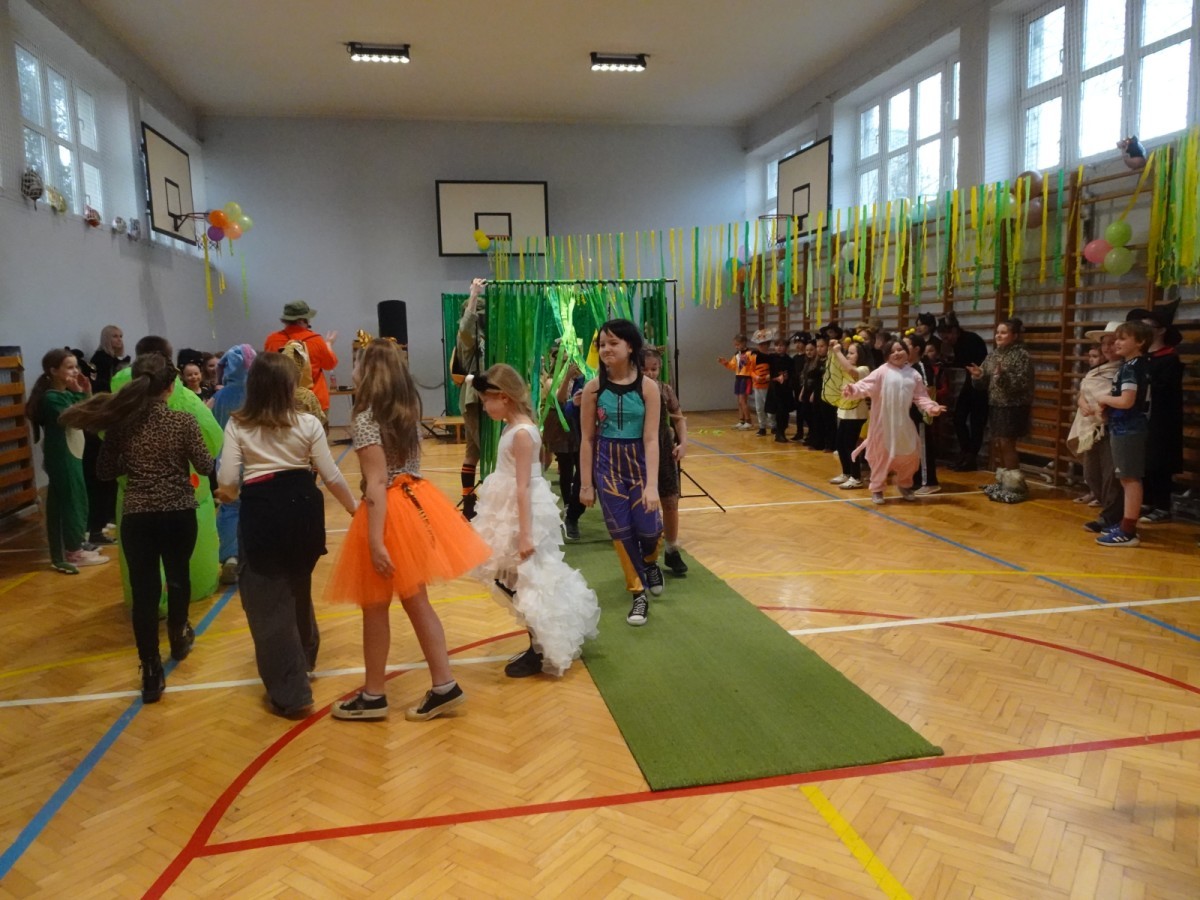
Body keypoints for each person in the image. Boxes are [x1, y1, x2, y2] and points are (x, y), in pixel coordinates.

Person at [327, 339, 491, 721]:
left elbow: (376, 483)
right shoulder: (406, 411)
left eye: (357, 363)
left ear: (369, 372)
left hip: (388, 512)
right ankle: (443, 685)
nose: (352, 370)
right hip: (415, 503)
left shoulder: (365, 417)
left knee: (375, 606)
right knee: (416, 601)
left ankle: (374, 695)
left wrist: (374, 541)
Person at [63, 354, 214, 702]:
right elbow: (206, 466)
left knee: (144, 594)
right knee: (178, 577)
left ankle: (150, 670)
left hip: (138, 517)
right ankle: (178, 636)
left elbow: (104, 471)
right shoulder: (183, 421)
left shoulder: (122, 425)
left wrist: (132, 461)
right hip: (178, 513)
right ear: (171, 387)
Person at [216, 353, 357, 718]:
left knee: (267, 602)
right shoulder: (308, 423)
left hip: (264, 511)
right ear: (289, 387)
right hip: (304, 510)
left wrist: (226, 495)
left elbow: (228, 480)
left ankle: (293, 693)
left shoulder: (239, 425)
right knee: (297, 585)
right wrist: (354, 509)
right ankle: (304, 657)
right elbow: (331, 475)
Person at [468, 364, 600, 677]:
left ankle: (541, 647)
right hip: (509, 509)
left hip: (521, 514)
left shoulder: (523, 433)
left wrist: (526, 534)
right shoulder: (512, 428)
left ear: (503, 397)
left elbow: (524, 485)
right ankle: (539, 642)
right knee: (511, 578)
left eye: (486, 401)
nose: (484, 408)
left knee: (527, 581)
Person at [111, 336, 224, 607]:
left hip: (136, 506)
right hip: (178, 503)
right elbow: (209, 452)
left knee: (142, 576)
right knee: (180, 570)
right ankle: (178, 624)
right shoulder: (183, 415)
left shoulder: (121, 413)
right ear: (170, 381)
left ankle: (148, 627)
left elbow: (105, 467)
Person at [579, 319, 663, 626]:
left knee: (650, 530)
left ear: (630, 347)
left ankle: (651, 561)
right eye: (602, 344)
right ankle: (638, 594)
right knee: (621, 533)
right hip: (608, 468)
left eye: (613, 343)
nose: (606, 349)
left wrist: (652, 485)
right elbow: (587, 439)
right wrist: (586, 484)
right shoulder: (593, 389)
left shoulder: (648, 388)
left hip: (640, 465)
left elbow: (651, 439)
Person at [28, 349, 109, 574]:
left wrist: (85, 391)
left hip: (72, 454)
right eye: (70, 367)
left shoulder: (66, 395)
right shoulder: (51, 398)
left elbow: (86, 410)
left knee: (73, 499)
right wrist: (81, 394)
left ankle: (72, 547)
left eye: (76, 366)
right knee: (72, 501)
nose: (76, 371)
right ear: (53, 371)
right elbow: (77, 416)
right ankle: (73, 551)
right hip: (62, 456)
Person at [842, 339, 947, 504]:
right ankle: (877, 489)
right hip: (882, 425)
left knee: (910, 457)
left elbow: (921, 396)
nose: (897, 353)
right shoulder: (881, 372)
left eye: (900, 350)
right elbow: (863, 386)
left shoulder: (914, 374)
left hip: (903, 424)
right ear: (886, 356)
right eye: (892, 351)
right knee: (881, 458)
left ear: (907, 352)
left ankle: (905, 485)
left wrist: (931, 407)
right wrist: (852, 389)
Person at [1086, 320, 1152, 547]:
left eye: (1123, 339)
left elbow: (1126, 401)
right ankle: (1125, 524)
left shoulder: (1131, 368)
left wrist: (1103, 399)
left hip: (1128, 428)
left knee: (1129, 478)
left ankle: (1128, 531)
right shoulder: (1134, 365)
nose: (1117, 343)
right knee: (1127, 478)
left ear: (1140, 342)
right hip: (1125, 425)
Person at [966, 318, 1035, 503]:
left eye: (1003, 332)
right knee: (998, 442)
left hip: (1014, 406)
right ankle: (1004, 481)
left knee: (1007, 442)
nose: (998, 335)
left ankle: (1016, 486)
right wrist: (979, 376)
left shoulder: (1021, 355)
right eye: (997, 332)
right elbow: (984, 382)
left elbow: (1022, 383)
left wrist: (1002, 377)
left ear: (1015, 336)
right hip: (996, 404)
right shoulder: (994, 354)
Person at [1129, 306, 1184, 524]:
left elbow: (1165, 391)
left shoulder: (1170, 359)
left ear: (1161, 330)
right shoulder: (1142, 358)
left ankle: (1162, 506)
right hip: (1140, 418)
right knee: (1143, 460)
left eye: (1148, 326)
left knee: (1159, 461)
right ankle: (1147, 500)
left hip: (1161, 420)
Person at [209, 344, 257, 585]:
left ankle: (230, 557)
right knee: (257, 507)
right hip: (255, 463)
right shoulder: (257, 395)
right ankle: (257, 555)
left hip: (226, 462)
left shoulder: (218, 397)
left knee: (229, 509)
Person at [642, 347, 690, 575]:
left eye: (654, 369)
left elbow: (678, 418)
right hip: (639, 453)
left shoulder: (665, 390)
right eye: (644, 369)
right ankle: (647, 551)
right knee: (644, 504)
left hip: (664, 452)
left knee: (670, 500)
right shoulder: (631, 391)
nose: (650, 373)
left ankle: (672, 549)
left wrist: (683, 443)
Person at [1068, 323, 1121, 518]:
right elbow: (1084, 392)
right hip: (1091, 429)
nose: (1107, 348)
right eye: (1104, 344)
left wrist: (1103, 405)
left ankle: (1111, 515)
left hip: (1109, 428)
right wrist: (1082, 402)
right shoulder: (1097, 370)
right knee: (1091, 473)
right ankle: (1106, 509)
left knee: (1110, 474)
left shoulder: (1125, 369)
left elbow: (1120, 398)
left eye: (1112, 343)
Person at [83, 325, 129, 546]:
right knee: (101, 480)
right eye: (114, 336)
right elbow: (102, 390)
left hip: (108, 422)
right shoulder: (101, 361)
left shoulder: (114, 361)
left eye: (121, 336)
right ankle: (95, 527)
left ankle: (101, 522)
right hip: (101, 424)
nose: (119, 340)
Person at [541, 346, 586, 540]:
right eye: (564, 360)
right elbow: (559, 400)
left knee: (580, 464)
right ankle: (568, 504)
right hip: (558, 426)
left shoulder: (580, 380)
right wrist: (567, 377)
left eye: (570, 359)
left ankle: (574, 501)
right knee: (566, 466)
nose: (569, 363)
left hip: (576, 424)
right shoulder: (550, 381)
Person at [938, 312, 990, 471]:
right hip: (970, 382)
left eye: (947, 335)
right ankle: (965, 452)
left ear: (955, 331)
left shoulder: (971, 340)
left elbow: (972, 364)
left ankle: (971, 457)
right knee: (958, 419)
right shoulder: (956, 343)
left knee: (976, 423)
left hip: (981, 384)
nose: (945, 339)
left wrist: (951, 361)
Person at [264, 301, 338, 411]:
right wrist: (328, 344)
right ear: (302, 320)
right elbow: (330, 364)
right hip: (314, 401)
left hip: (283, 402)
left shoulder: (272, 340)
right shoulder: (316, 340)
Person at [456, 278, 487, 519]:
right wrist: (474, 295)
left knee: (474, 452)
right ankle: (470, 501)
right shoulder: (469, 336)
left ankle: (470, 502)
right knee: (483, 450)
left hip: (485, 399)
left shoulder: (485, 335)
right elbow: (467, 326)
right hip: (475, 400)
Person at [826, 340, 869, 490]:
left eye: (851, 353)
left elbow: (851, 371)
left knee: (850, 445)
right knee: (840, 444)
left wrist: (838, 352)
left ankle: (856, 477)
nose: (848, 356)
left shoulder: (864, 369)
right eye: (847, 353)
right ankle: (846, 473)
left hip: (857, 414)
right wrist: (833, 350)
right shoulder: (847, 367)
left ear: (860, 355)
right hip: (845, 412)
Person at [905, 334, 942, 496]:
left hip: (920, 416)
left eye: (906, 345)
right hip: (908, 415)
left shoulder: (922, 367)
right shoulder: (905, 367)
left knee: (924, 449)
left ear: (916, 349)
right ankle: (917, 479)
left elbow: (927, 389)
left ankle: (930, 482)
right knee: (913, 449)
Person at [717, 333, 754, 430]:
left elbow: (753, 366)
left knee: (743, 400)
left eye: (738, 344)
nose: (736, 346)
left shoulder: (750, 353)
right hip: (738, 377)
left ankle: (748, 421)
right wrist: (725, 363)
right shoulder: (737, 354)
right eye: (735, 345)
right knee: (739, 401)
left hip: (746, 378)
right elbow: (733, 366)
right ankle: (741, 421)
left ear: (744, 343)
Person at [765, 334, 794, 443]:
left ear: (786, 347)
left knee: (785, 412)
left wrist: (786, 377)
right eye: (777, 345)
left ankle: (782, 431)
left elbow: (792, 374)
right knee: (778, 411)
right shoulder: (772, 358)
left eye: (782, 346)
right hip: (775, 389)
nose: (779, 348)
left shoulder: (789, 360)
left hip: (785, 389)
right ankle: (779, 432)